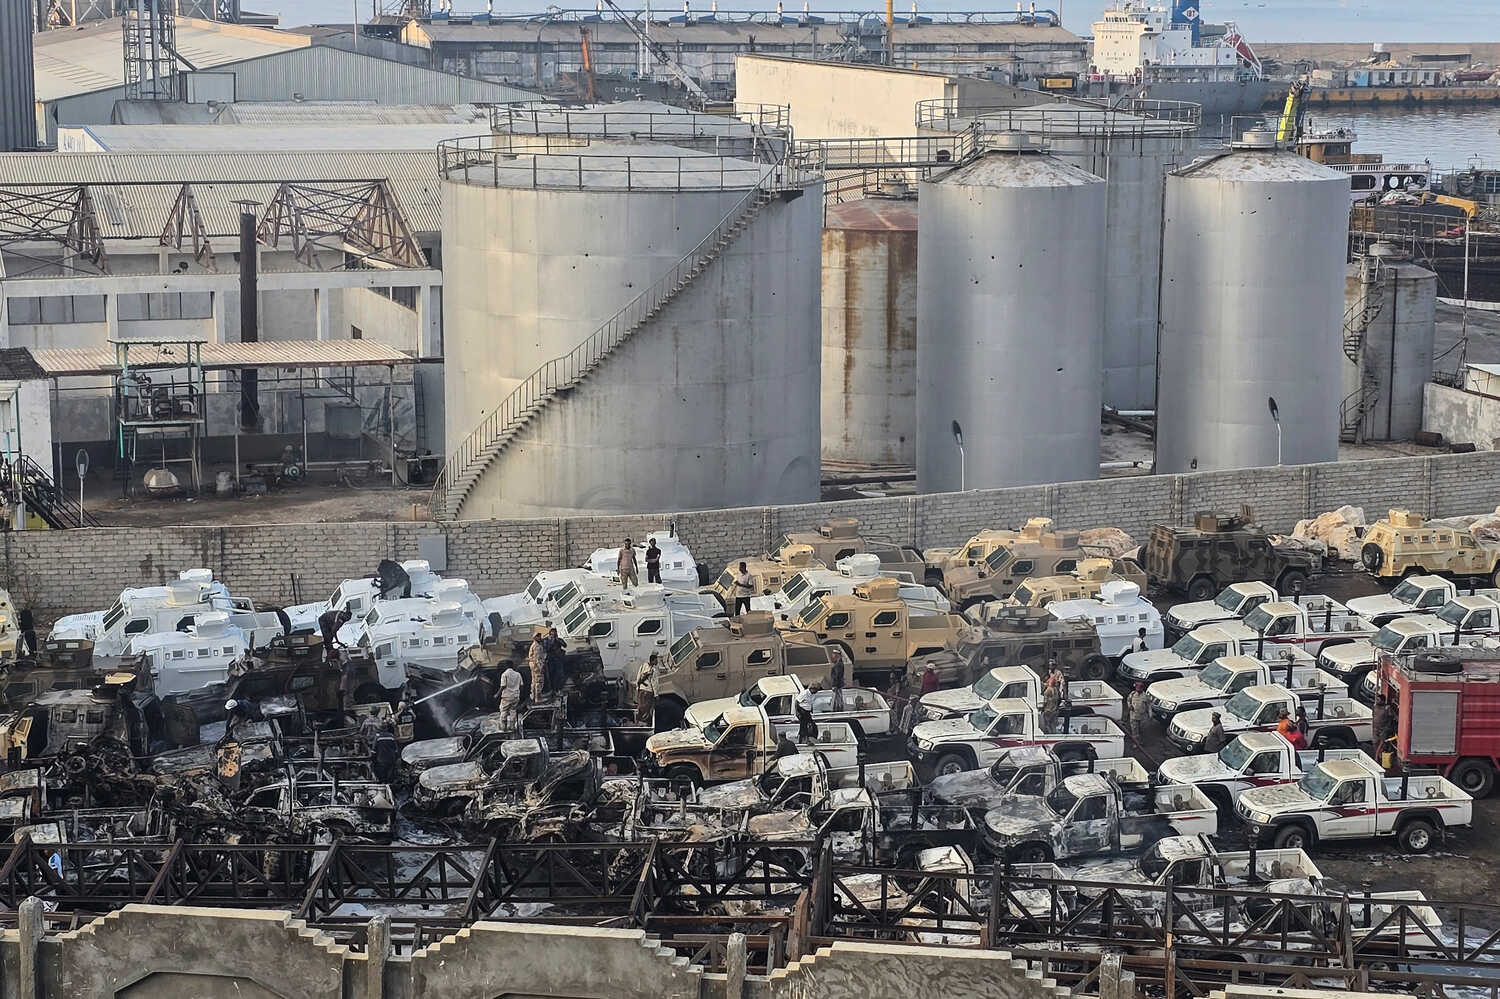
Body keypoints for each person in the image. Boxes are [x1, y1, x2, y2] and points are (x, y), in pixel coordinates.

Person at [498, 661, 523, 731]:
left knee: (504, 711)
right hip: (515, 696)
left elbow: (503, 686)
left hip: (506, 697)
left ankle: (503, 728)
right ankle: (512, 728)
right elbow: (521, 686)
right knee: (513, 711)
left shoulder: (504, 674)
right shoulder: (518, 674)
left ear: (506, 666)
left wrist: (497, 694)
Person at [544, 627, 567, 694]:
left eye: (555, 632)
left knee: (560, 674)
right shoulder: (546, 640)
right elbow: (546, 648)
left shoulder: (558, 640)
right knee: (551, 675)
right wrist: (552, 641)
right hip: (551, 660)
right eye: (552, 633)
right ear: (550, 633)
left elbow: (565, 645)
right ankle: (552, 689)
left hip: (558, 659)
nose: (554, 634)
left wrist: (558, 640)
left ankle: (558, 688)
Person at [636, 653, 659, 723]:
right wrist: (656, 695)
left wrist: (638, 687)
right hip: (648, 691)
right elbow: (654, 683)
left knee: (641, 707)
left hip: (641, 690)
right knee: (647, 709)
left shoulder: (643, 665)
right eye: (656, 660)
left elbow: (638, 677)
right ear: (653, 660)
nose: (657, 662)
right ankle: (644, 724)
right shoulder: (653, 670)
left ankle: (638, 722)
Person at [527, 631, 546, 700]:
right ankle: (538, 697)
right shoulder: (537, 646)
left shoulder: (534, 644)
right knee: (539, 680)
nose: (540, 637)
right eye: (538, 636)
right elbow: (537, 658)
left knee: (534, 681)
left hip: (533, 664)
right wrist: (540, 667)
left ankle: (534, 696)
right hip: (536, 665)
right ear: (535, 637)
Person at [829, 648, 846, 713]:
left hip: (837, 686)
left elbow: (836, 675)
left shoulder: (838, 664)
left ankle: (838, 710)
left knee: (838, 699)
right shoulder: (839, 663)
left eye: (834, 654)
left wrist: (834, 685)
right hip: (839, 685)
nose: (832, 656)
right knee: (838, 699)